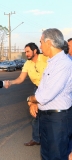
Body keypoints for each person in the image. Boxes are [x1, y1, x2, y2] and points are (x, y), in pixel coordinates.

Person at [27, 28, 72, 160]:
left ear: (49, 43)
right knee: (46, 155)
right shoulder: (52, 62)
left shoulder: (63, 64)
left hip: (57, 119)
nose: (40, 46)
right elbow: (41, 88)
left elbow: (45, 95)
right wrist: (33, 102)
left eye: (41, 42)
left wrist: (30, 99)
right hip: (47, 117)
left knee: (56, 156)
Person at [8, 42, 48, 146]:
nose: (26, 54)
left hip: (51, 88)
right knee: (35, 114)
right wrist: (11, 82)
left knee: (51, 114)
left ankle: (51, 139)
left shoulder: (45, 57)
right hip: (38, 89)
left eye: (28, 51)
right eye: (25, 52)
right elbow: (21, 78)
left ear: (35, 51)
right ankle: (36, 139)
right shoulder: (27, 64)